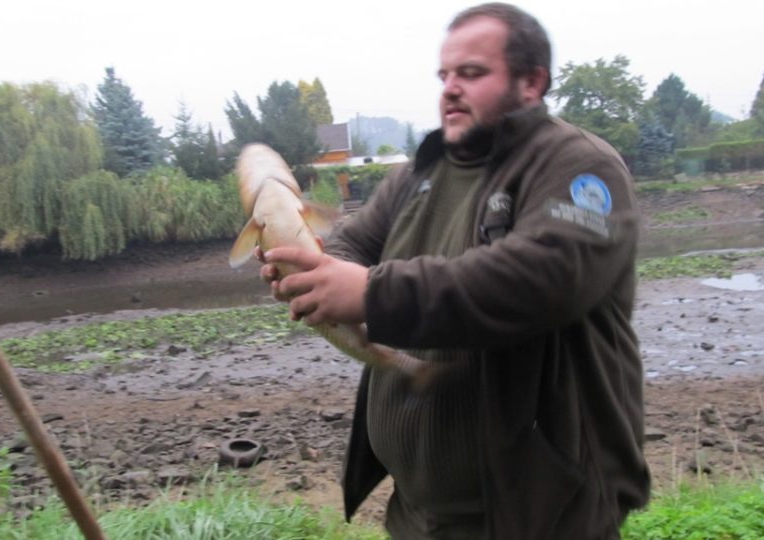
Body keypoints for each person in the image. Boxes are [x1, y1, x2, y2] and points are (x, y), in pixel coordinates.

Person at [260, 3, 650, 538]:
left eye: (471, 73)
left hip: (542, 513)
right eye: (444, 75)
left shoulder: (577, 166)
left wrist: (371, 294)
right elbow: (352, 244)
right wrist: (316, 273)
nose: (449, 89)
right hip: (422, 514)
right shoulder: (421, 171)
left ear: (532, 82)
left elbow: (539, 280)